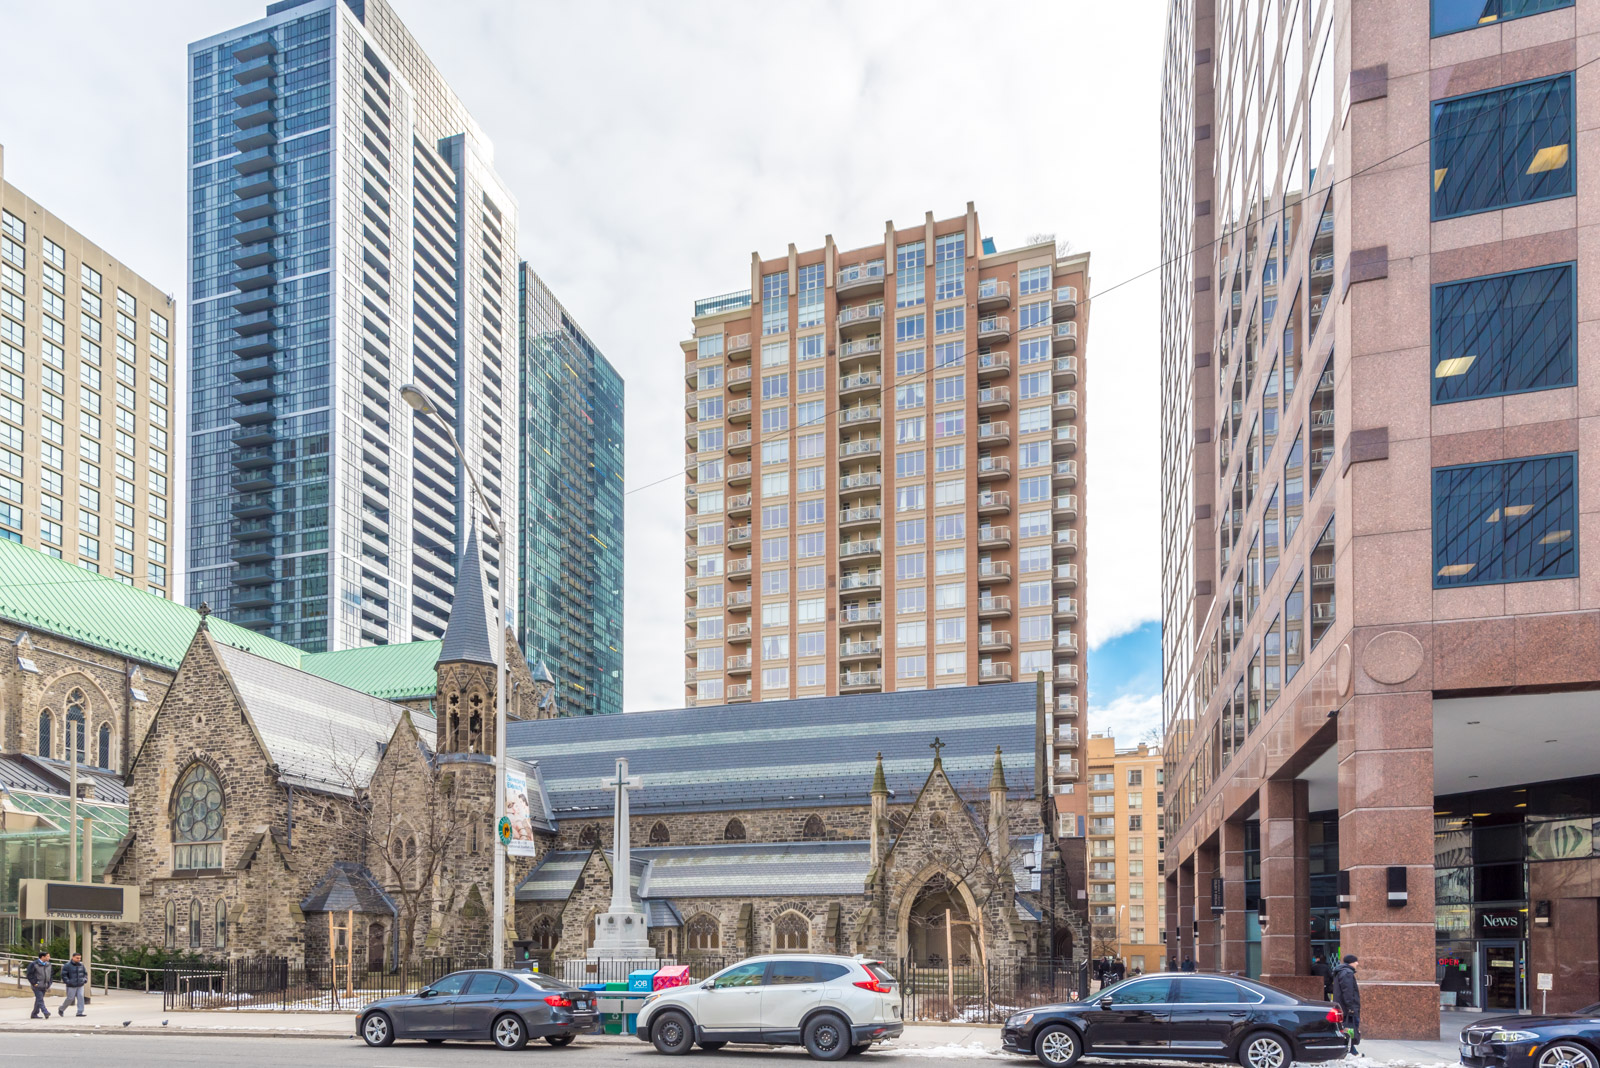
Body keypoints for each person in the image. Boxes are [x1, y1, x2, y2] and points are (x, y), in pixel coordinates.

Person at [1331, 954, 1362, 1053]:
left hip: (1343, 1006)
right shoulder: (1347, 973)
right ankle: (1350, 1049)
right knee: (1351, 1027)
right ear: (1351, 962)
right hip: (1347, 1007)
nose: (1357, 963)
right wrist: (1351, 1007)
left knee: (1347, 1027)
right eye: (1356, 961)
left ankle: (1349, 1048)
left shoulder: (1341, 972)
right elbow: (1348, 992)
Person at [58, 952, 88, 1018]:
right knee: (70, 998)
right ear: (73, 957)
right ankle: (61, 1009)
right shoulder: (67, 965)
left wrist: (85, 979)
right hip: (71, 985)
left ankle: (80, 1012)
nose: (79, 959)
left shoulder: (81, 965)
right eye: (77, 958)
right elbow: (64, 975)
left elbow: (85, 973)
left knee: (80, 997)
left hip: (80, 984)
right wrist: (68, 982)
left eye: (80, 958)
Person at [25, 951, 52, 1019]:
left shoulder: (48, 964)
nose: (49, 957)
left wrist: (49, 983)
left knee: (39, 1000)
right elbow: (29, 974)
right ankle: (45, 1012)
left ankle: (34, 1013)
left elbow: (50, 975)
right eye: (48, 956)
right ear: (43, 957)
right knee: (40, 999)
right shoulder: (34, 964)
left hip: (45, 985)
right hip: (37, 985)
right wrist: (34, 983)